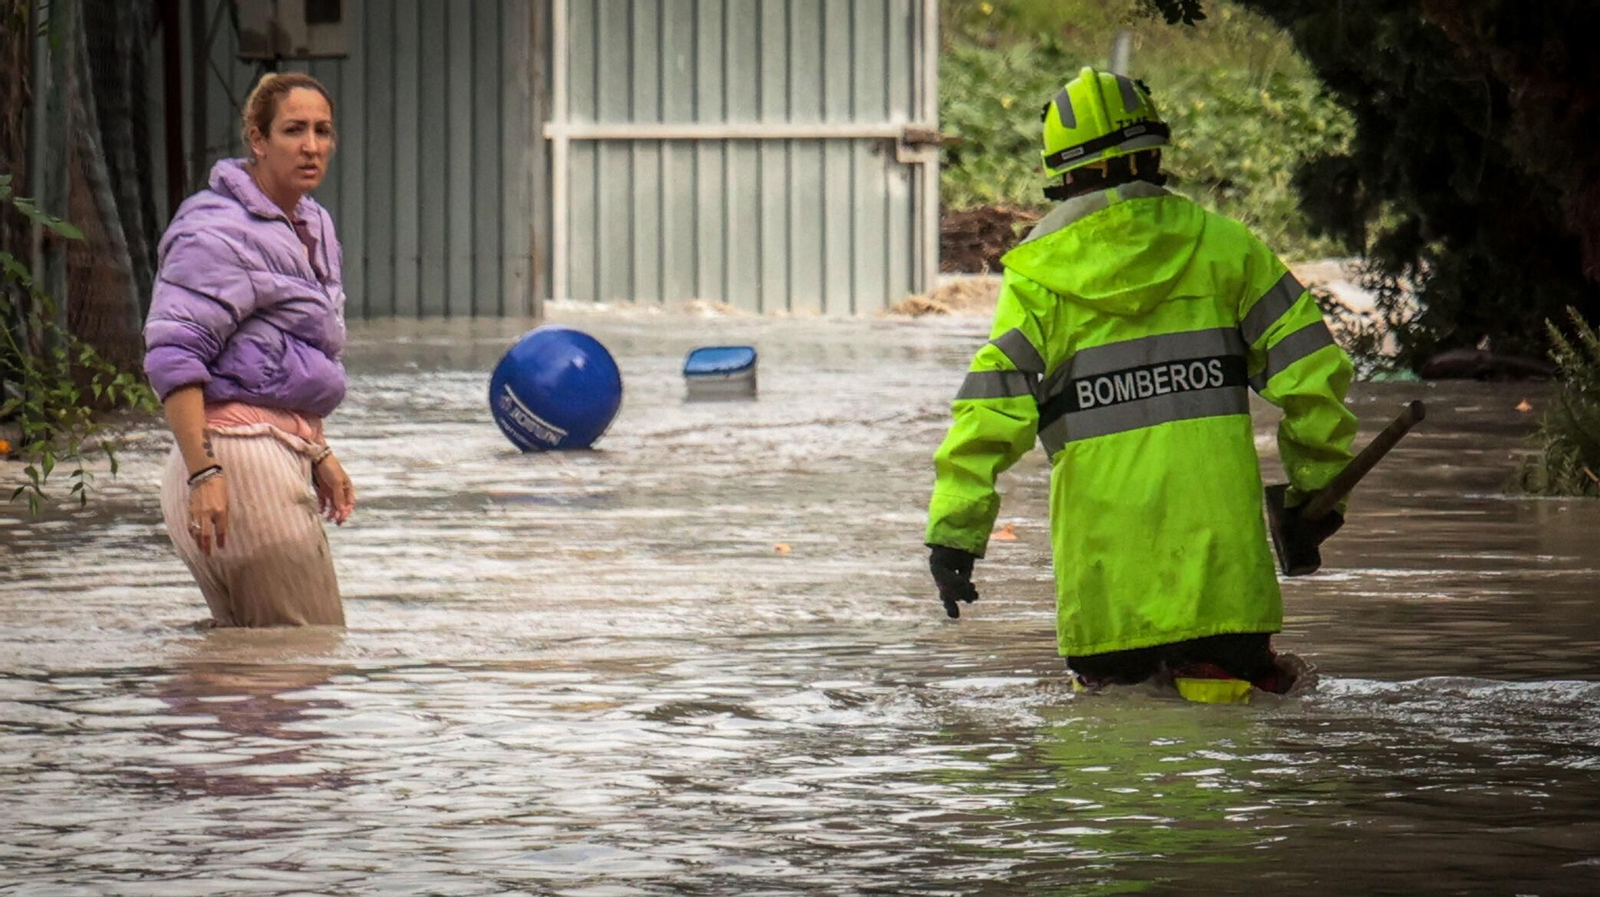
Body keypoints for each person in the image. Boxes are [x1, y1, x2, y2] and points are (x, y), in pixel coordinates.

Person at [924, 67, 1357, 699]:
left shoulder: (1038, 281)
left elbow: (990, 414)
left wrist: (954, 535)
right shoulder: (1230, 250)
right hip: (1225, 582)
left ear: (1065, 175)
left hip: (1108, 594)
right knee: (1232, 764)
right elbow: (1314, 380)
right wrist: (1317, 495)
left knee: (1113, 769)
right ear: (1153, 154)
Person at [143, 72, 354, 627]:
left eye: (322, 130)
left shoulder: (313, 223)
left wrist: (317, 452)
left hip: (263, 458)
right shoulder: (215, 231)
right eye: (293, 130)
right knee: (306, 656)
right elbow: (174, 355)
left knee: (251, 681)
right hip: (232, 470)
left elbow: (281, 360)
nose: (311, 145)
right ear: (258, 140)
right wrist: (204, 475)